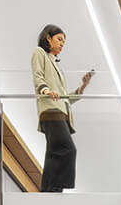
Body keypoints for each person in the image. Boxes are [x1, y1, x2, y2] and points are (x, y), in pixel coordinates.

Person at [30, 24, 93, 193]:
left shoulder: (56, 65)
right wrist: (45, 90)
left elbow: (64, 98)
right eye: (59, 39)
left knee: (53, 152)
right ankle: (56, 187)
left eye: (63, 42)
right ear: (47, 38)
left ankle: (49, 190)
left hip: (60, 112)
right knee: (68, 149)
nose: (61, 44)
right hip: (51, 111)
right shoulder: (39, 53)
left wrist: (82, 87)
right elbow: (38, 76)